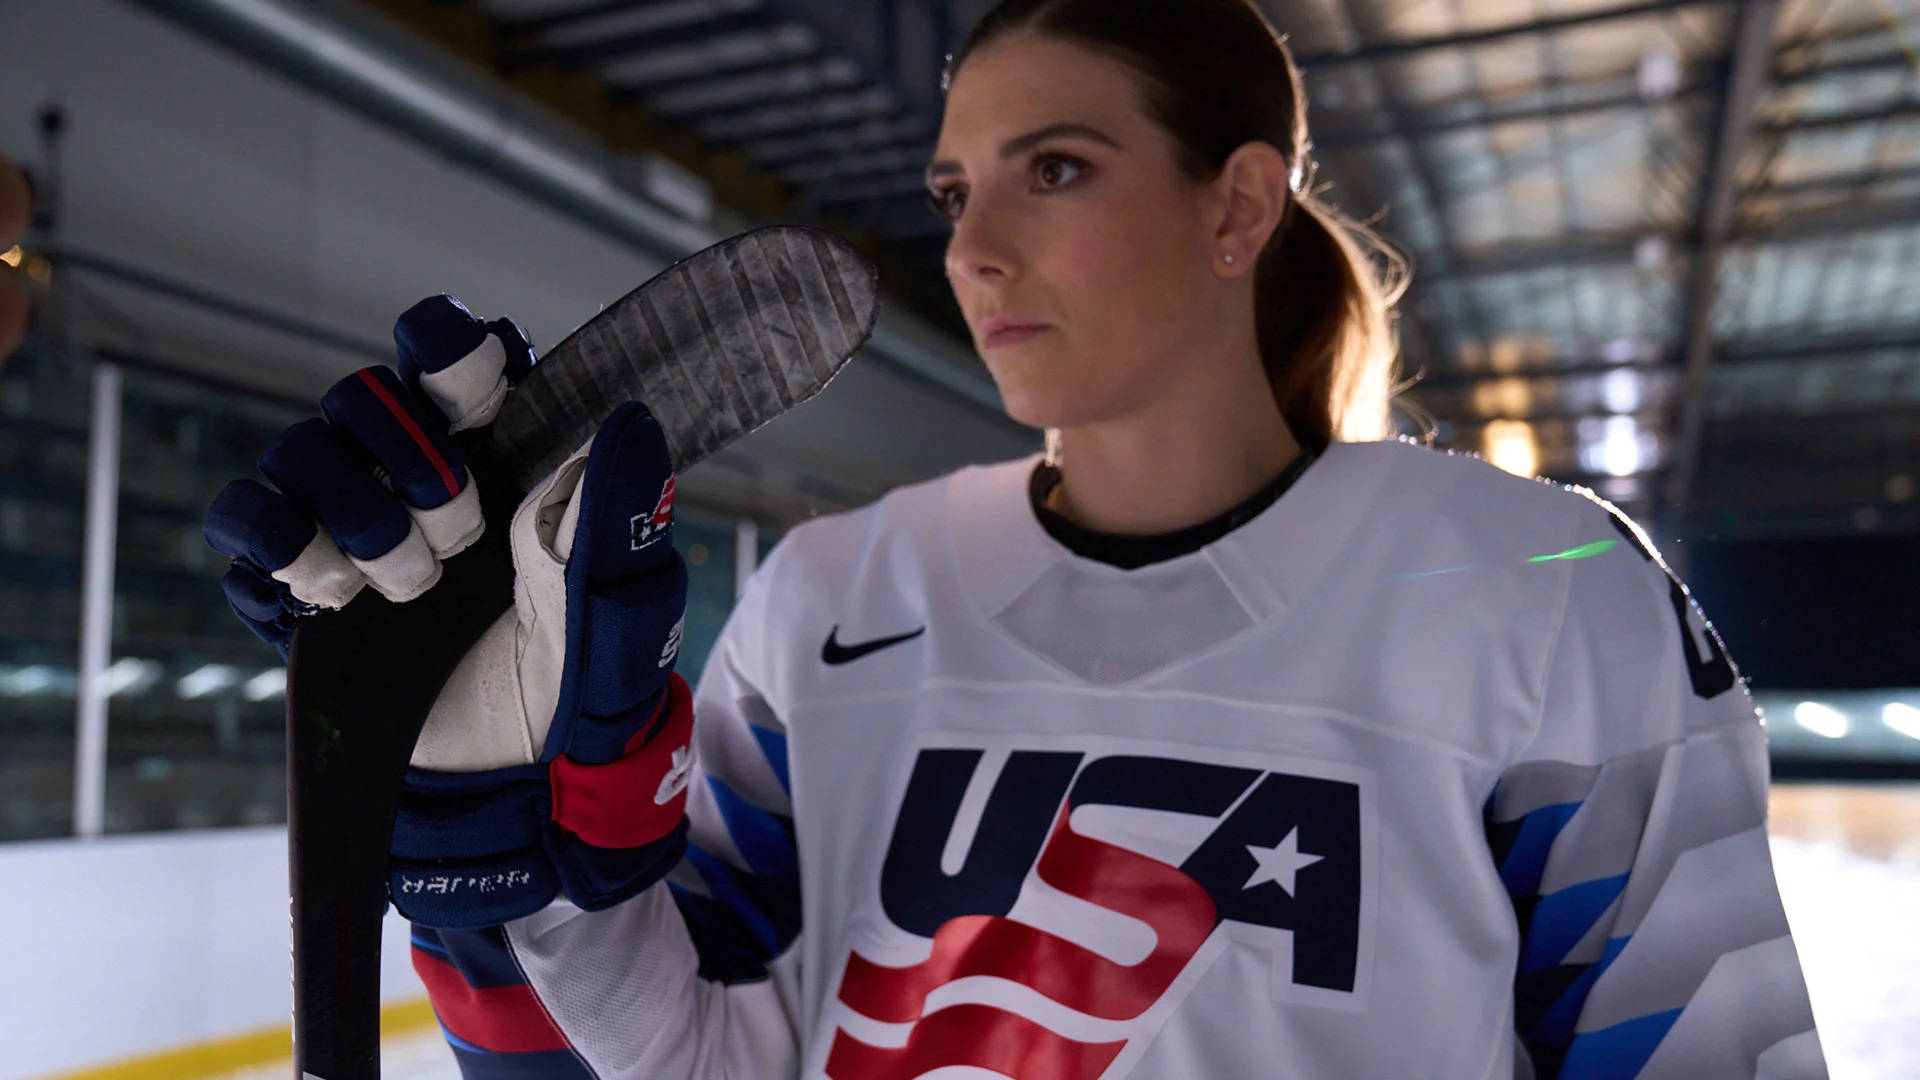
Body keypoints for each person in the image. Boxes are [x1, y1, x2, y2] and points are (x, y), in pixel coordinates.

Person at [204, 1, 1826, 1076]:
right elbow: (696, 1054)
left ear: (1237, 209)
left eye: (1055, 170)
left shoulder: (1539, 595)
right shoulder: (837, 592)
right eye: (953, 187)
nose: (972, 247)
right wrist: (502, 866)